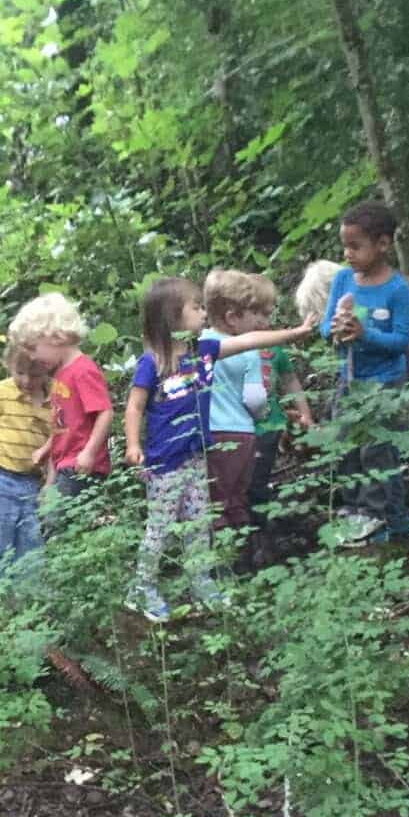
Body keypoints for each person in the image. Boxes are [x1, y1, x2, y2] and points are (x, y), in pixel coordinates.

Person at [123, 276, 315, 622]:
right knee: (161, 527)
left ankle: (201, 580)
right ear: (172, 317)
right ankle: (142, 587)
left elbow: (250, 340)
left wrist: (293, 334)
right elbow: (135, 406)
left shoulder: (204, 352)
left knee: (199, 523)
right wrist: (134, 444)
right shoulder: (152, 362)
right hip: (165, 463)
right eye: (195, 308)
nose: (202, 314)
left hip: (197, 456)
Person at [320, 201, 409, 544]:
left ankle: (379, 517)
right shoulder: (344, 279)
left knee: (377, 449)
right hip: (350, 378)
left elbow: (401, 340)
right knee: (345, 443)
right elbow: (324, 327)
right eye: (344, 245)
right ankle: (355, 508)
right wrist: (334, 329)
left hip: (385, 381)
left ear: (383, 244)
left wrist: (364, 334)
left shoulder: (397, 289)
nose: (347, 254)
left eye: (355, 246)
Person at [244, 263, 326, 557]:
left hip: (268, 427)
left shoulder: (274, 349)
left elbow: (290, 380)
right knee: (242, 485)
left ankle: (261, 537)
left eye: (269, 314)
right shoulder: (231, 347)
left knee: (258, 482)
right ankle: (247, 536)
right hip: (237, 431)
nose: (266, 321)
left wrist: (305, 413)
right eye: (259, 314)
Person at [199, 269, 288, 537]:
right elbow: (255, 399)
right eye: (253, 314)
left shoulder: (199, 345)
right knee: (237, 495)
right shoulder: (247, 350)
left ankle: (222, 557)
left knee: (214, 498)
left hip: (208, 434)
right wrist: (262, 415)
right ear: (233, 318)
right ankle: (243, 552)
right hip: (241, 434)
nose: (259, 323)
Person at [0, 341, 53, 598]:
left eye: (35, 374)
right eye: (20, 372)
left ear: (48, 368)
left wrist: (49, 483)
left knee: (32, 549)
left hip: (31, 486)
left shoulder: (53, 401)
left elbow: (55, 445)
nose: (26, 380)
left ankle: (30, 608)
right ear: (9, 366)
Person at [19, 292, 113, 511]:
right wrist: (46, 451)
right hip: (64, 466)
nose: (32, 357)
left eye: (34, 348)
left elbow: (105, 412)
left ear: (56, 337)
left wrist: (89, 452)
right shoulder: (61, 374)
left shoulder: (82, 370)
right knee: (51, 522)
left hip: (81, 465)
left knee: (57, 524)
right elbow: (63, 426)